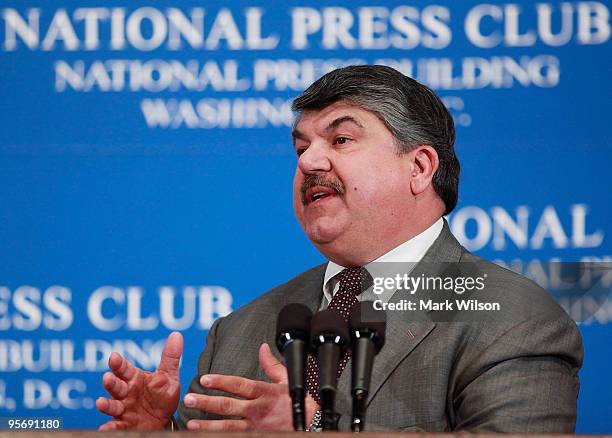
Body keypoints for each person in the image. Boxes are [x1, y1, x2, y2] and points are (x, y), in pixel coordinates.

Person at [96, 65, 583, 432]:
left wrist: (316, 429)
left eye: (342, 138)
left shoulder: (512, 316)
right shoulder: (240, 331)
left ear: (419, 168)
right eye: (300, 147)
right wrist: (161, 433)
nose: (309, 161)